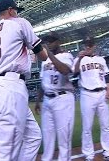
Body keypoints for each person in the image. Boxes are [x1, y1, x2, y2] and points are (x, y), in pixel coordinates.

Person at [0, 0, 48, 161]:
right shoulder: (19, 22)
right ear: (9, 10)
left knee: (33, 136)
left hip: (1, 85)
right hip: (11, 87)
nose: (16, 12)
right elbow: (42, 55)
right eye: (15, 10)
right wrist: (46, 52)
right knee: (7, 147)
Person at [73, 37, 109, 161]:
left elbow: (107, 76)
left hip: (102, 93)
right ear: (83, 46)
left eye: (90, 45)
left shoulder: (101, 59)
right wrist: (79, 58)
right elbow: (74, 73)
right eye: (86, 45)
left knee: (105, 125)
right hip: (87, 94)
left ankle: (108, 152)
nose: (88, 47)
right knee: (87, 126)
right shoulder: (79, 59)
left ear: (94, 46)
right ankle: (89, 154)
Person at [34, 33, 75, 161]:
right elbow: (43, 81)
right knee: (47, 136)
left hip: (62, 98)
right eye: (46, 41)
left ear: (58, 42)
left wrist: (50, 55)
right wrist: (38, 100)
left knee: (64, 137)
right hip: (47, 100)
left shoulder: (66, 55)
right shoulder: (44, 61)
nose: (48, 44)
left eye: (51, 41)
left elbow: (65, 71)